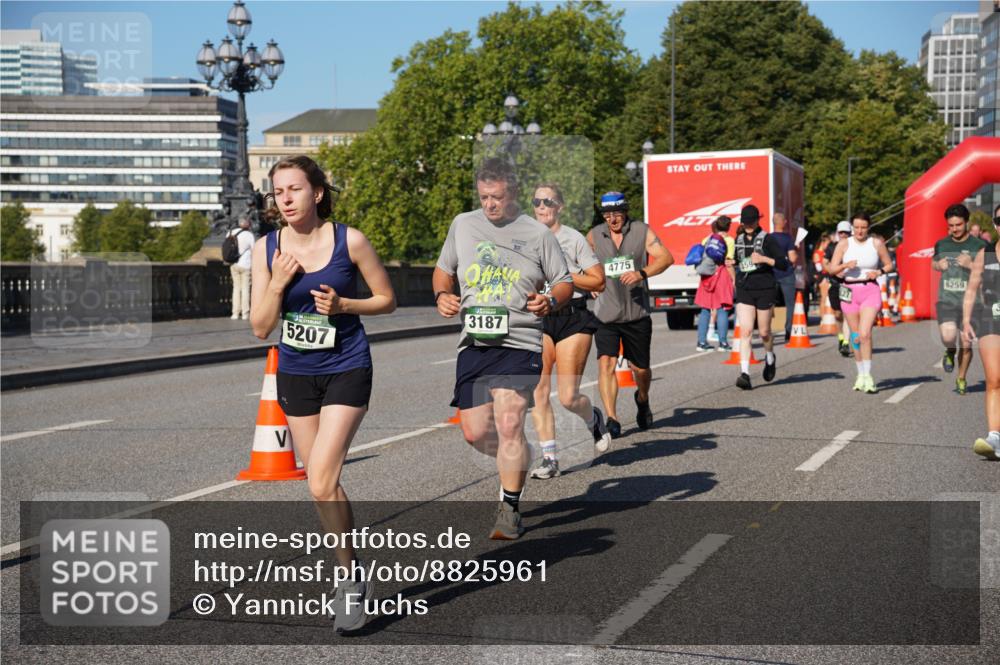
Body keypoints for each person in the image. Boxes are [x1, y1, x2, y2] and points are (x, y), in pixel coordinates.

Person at [249, 155, 397, 633]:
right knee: (322, 483)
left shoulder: (348, 240)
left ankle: (350, 584)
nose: (285, 199)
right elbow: (259, 327)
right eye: (278, 192)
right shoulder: (266, 248)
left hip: (346, 367)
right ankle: (351, 568)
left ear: (316, 192)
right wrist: (277, 282)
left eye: (294, 189)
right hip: (295, 372)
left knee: (318, 480)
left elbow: (387, 299)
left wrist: (345, 304)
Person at [433, 158, 573, 538]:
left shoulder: (537, 234)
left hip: (521, 339)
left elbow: (563, 282)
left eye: (497, 197)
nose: (490, 204)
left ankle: (509, 506)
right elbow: (443, 270)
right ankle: (516, 455)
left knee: (509, 420)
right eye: (484, 197)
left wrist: (551, 302)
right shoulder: (463, 223)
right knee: (476, 433)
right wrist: (442, 294)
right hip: (475, 342)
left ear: (513, 193)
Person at [528, 184, 610, 480]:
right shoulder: (524, 237)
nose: (541, 206)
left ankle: (593, 418)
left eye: (547, 201)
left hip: (572, 318)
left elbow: (598, 281)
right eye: (536, 201)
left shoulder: (573, 239)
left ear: (559, 206)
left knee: (566, 397)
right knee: (537, 391)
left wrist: (563, 274)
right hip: (539, 318)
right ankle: (550, 458)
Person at [588, 192, 674, 437]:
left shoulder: (641, 231)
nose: (612, 219)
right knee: (606, 364)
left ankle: (643, 398)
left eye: (616, 213)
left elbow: (667, 258)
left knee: (641, 370)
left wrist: (642, 273)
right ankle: (612, 419)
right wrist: (590, 284)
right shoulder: (594, 235)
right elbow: (576, 262)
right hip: (606, 314)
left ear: (625, 212)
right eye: (607, 214)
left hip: (636, 314)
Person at [826, 211, 894, 393]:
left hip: (870, 290)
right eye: (856, 227)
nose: (860, 231)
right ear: (852, 227)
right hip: (848, 291)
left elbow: (889, 264)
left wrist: (879, 272)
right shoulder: (844, 244)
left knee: (865, 334)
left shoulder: (876, 243)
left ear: (868, 228)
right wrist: (844, 266)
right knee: (855, 336)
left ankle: (869, 376)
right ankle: (860, 374)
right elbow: (831, 269)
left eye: (863, 227)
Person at [733, 204, 789, 390]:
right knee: (746, 331)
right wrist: (731, 262)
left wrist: (764, 259)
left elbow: (782, 264)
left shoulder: (768, 239)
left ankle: (770, 356)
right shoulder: (738, 239)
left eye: (751, 223)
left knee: (764, 332)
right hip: (744, 289)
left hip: (765, 288)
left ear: (758, 220)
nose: (748, 226)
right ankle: (744, 373)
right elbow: (737, 261)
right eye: (745, 223)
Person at [933, 203, 986, 394]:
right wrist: (940, 265)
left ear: (966, 222)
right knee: (948, 337)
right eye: (951, 226)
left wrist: (971, 264)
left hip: (972, 303)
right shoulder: (942, 244)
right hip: (947, 299)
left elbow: (988, 272)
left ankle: (962, 378)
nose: (954, 229)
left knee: (966, 343)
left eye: (958, 225)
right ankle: (949, 351)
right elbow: (934, 264)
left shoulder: (979, 246)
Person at [963, 235, 1000, 459]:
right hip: (991, 319)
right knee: (994, 379)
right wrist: (966, 320)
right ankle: (994, 436)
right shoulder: (984, 254)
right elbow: (972, 288)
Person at [695, 215, 735, 352]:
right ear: (729, 227)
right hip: (721, 275)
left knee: (705, 309)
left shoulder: (707, 239)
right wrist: (733, 279)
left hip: (706, 277)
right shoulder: (729, 240)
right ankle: (723, 343)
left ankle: (701, 342)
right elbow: (728, 262)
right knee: (723, 308)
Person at [823, 221, 854, 356]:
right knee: (838, 314)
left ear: (849, 233)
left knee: (847, 313)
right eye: (841, 232)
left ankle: (846, 343)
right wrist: (834, 270)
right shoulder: (831, 247)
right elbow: (825, 263)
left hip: (848, 285)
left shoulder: (854, 247)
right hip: (835, 284)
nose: (843, 235)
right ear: (837, 233)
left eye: (846, 232)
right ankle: (841, 337)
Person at [770, 213, 799, 342]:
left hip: (771, 274)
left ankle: (766, 330)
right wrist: (796, 252)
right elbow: (792, 258)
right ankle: (789, 331)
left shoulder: (768, 238)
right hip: (786, 273)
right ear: (784, 222)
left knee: (768, 303)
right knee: (790, 304)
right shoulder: (788, 238)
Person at [227, 217, 254, 319]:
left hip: (234, 263)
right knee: (245, 289)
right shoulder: (249, 235)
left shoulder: (231, 233)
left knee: (236, 288)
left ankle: (235, 313)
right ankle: (245, 313)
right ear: (247, 225)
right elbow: (253, 250)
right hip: (246, 264)